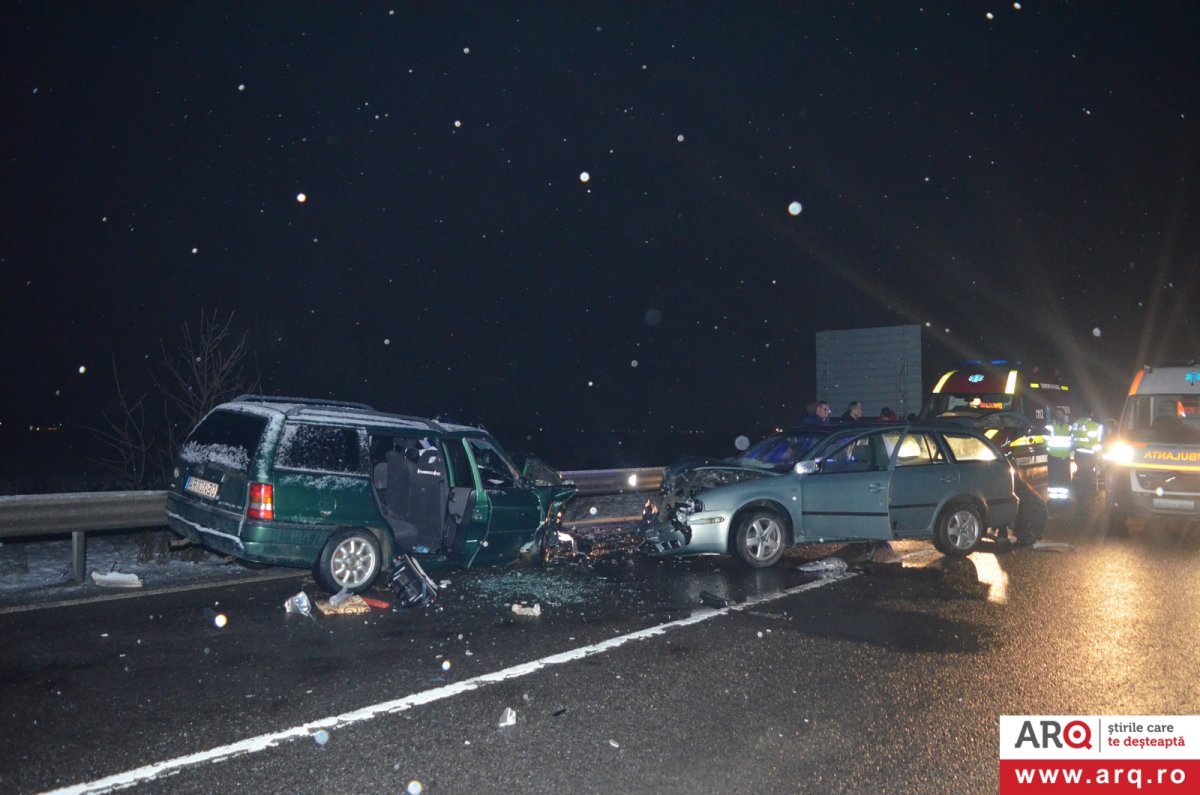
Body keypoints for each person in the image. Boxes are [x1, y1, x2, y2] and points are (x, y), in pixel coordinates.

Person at [1045, 407, 1073, 502]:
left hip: (1064, 458)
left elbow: (1072, 441)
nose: (1059, 415)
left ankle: (1064, 498)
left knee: (1064, 479)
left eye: (1061, 414)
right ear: (1054, 415)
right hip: (1053, 457)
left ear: (1064, 415)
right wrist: (1050, 451)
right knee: (1054, 479)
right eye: (1057, 413)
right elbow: (1045, 441)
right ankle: (1053, 499)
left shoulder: (1069, 427)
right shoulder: (1050, 427)